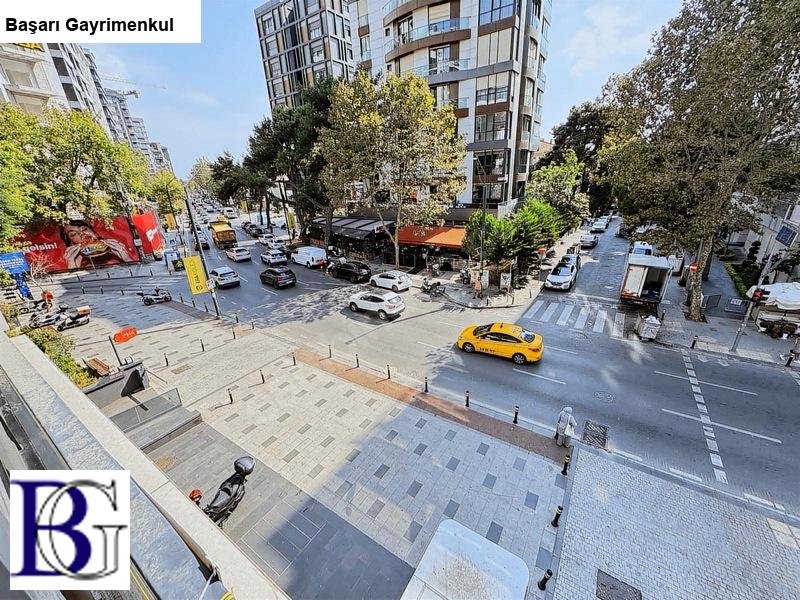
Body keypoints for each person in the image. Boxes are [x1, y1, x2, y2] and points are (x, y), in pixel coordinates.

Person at [60, 220, 134, 269]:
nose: (81, 234)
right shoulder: (75, 262)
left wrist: (126, 259)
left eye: (84, 229)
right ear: (71, 243)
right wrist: (72, 268)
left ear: (95, 233)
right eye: (73, 234)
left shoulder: (115, 251)